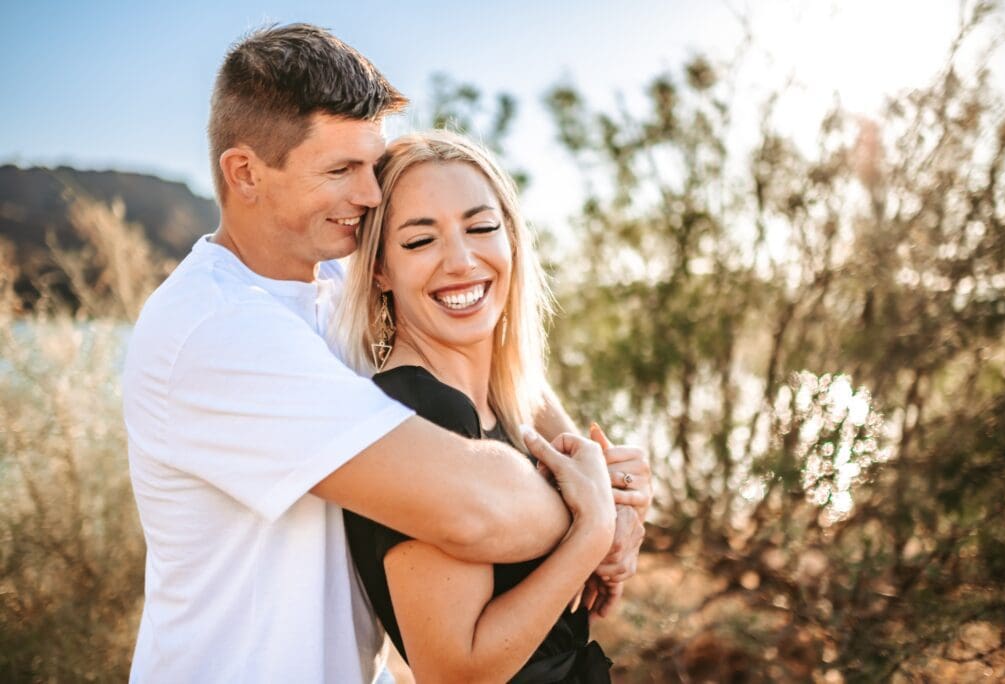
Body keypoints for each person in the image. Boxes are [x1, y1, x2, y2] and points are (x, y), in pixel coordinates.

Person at [122, 23, 649, 683]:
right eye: (340, 170)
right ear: (245, 173)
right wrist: (592, 516)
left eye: (372, 167)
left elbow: (490, 357)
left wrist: (591, 465)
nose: (371, 196)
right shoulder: (217, 333)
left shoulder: (338, 280)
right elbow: (473, 508)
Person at [338, 130, 638, 682]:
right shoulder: (421, 412)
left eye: (480, 228)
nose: (460, 260)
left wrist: (619, 501)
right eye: (420, 241)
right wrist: (590, 533)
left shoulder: (499, 403)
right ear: (380, 269)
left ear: (513, 241)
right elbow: (456, 671)